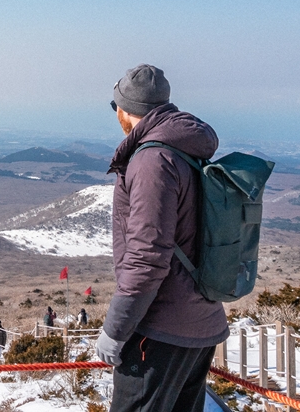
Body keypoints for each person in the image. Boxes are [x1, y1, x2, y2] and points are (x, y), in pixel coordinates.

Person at [95, 64, 228, 412]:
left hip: (158, 332)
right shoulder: (187, 148)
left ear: (125, 110)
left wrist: (115, 330)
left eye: (116, 107)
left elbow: (147, 256)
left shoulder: (153, 159)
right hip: (200, 321)